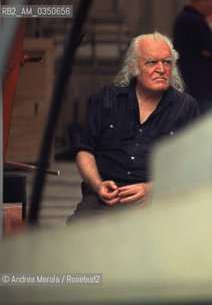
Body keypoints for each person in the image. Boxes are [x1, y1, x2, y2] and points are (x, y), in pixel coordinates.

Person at [67, 32, 199, 223]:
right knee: (75, 234)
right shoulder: (108, 98)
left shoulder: (185, 107)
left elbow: (192, 166)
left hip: (158, 202)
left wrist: (152, 188)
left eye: (167, 62)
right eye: (151, 62)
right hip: (104, 200)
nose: (161, 69)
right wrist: (98, 186)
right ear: (133, 67)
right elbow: (85, 151)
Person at [173, 0, 212, 115]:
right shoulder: (193, 20)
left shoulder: (183, 18)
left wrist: (206, 51)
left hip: (190, 87)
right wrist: (207, 52)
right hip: (201, 90)